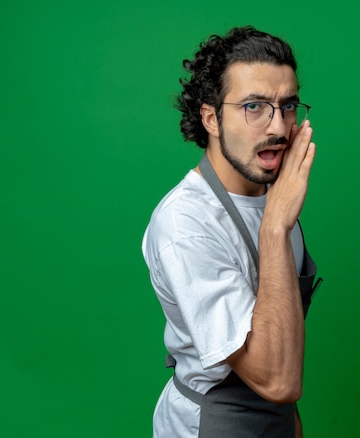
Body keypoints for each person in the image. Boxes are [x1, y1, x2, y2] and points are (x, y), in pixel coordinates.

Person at [141, 26, 321, 437]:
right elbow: (278, 381)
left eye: (288, 105)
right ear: (211, 117)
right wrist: (275, 227)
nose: (278, 127)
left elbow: (283, 352)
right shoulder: (186, 224)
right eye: (254, 106)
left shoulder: (274, 198)